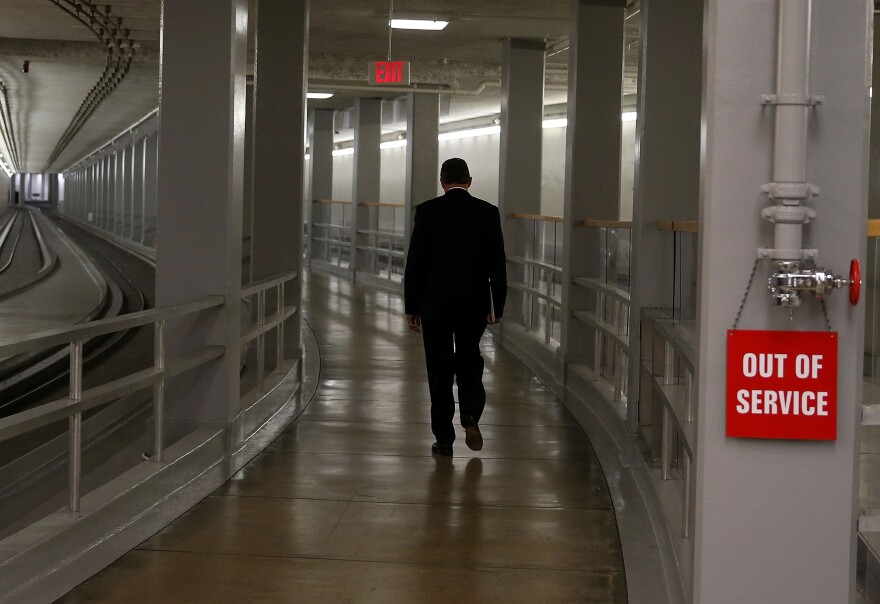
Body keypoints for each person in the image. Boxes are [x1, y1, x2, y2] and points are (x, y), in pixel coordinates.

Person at [404, 158, 507, 457]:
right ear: (470, 181)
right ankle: (471, 412)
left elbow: (416, 263)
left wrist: (413, 306)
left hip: (434, 303)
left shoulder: (427, 212)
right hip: (472, 304)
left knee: (439, 368)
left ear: (442, 181)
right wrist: (495, 305)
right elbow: (497, 265)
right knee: (468, 359)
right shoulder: (487, 213)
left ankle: (444, 439)